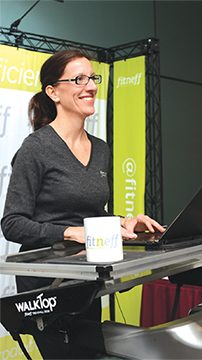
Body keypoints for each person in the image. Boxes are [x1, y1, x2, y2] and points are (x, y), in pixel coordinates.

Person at [1, 49, 164, 359]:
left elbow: (90, 214)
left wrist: (121, 221)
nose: (90, 86)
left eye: (93, 78)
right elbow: (12, 223)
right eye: (79, 79)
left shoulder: (100, 148)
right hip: (46, 285)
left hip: (87, 276)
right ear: (53, 92)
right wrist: (69, 233)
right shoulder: (36, 148)